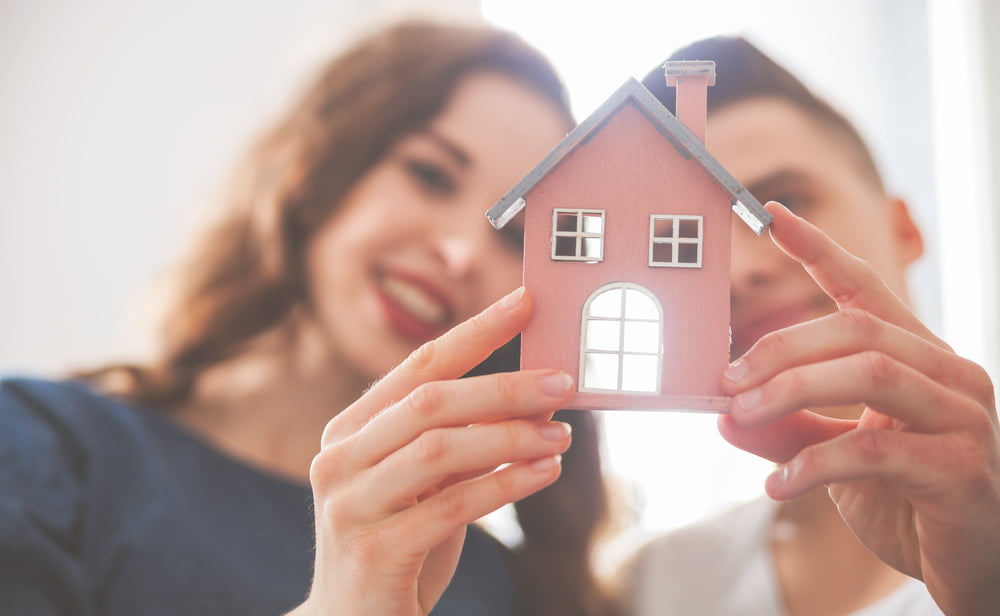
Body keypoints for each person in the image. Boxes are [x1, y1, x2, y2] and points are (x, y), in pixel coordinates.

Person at [0, 20, 615, 616]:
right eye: (430, 174)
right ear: (317, 166)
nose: (458, 254)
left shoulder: (503, 587)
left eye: (516, 238)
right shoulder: (42, 446)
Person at [618, 37, 1000, 616]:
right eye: (692, 238)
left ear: (904, 230)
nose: (740, 272)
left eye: (787, 199)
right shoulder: (661, 585)